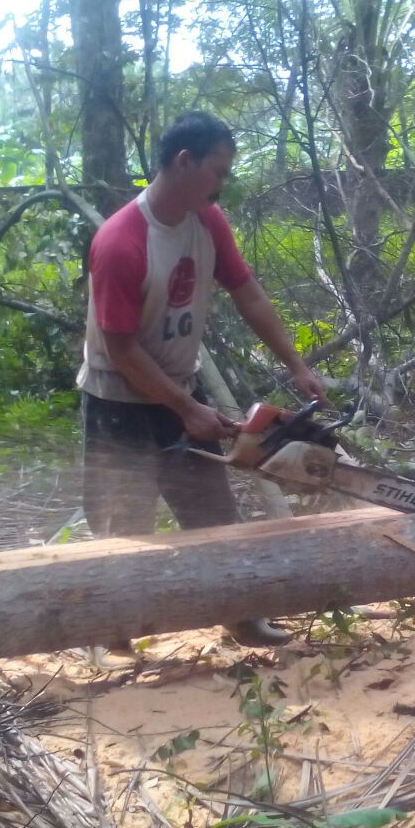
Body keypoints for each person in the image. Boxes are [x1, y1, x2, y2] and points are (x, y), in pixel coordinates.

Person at [77, 111, 325, 648]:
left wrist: (297, 365)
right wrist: (186, 410)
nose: (223, 183)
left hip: (178, 389)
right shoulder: (121, 241)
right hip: (118, 403)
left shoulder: (207, 221)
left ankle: (240, 616)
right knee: (125, 527)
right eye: (219, 171)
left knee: (214, 514)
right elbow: (121, 348)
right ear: (184, 162)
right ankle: (110, 633)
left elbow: (249, 294)